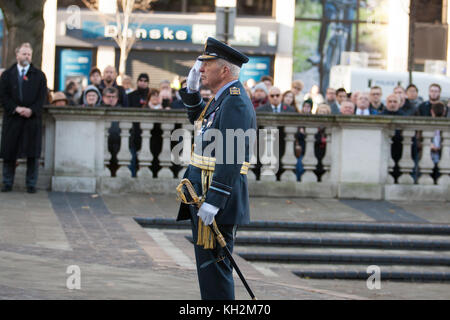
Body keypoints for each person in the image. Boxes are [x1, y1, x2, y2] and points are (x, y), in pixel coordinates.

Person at [177, 37, 256, 300]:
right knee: (207, 268)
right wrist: (191, 93)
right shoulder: (221, 98)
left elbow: (232, 155)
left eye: (207, 64)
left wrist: (215, 200)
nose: (201, 69)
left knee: (215, 268)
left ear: (224, 70)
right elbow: (201, 121)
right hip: (204, 194)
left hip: (215, 197)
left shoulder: (235, 101)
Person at [0, 42, 47, 193]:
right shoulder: (7, 75)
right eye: (24, 53)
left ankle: (31, 184)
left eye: (29, 54)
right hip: (13, 119)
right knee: (9, 153)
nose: (26, 56)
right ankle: (7, 183)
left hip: (32, 120)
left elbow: (41, 98)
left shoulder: (39, 76)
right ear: (17, 55)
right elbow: (3, 96)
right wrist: (16, 108)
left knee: (32, 155)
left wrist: (31, 110)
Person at [102, 87, 122, 176]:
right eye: (108, 96)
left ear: (117, 98)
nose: (111, 99)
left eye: (113, 97)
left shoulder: (122, 111)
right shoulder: (99, 110)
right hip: (103, 145)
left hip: (118, 145)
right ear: (103, 98)